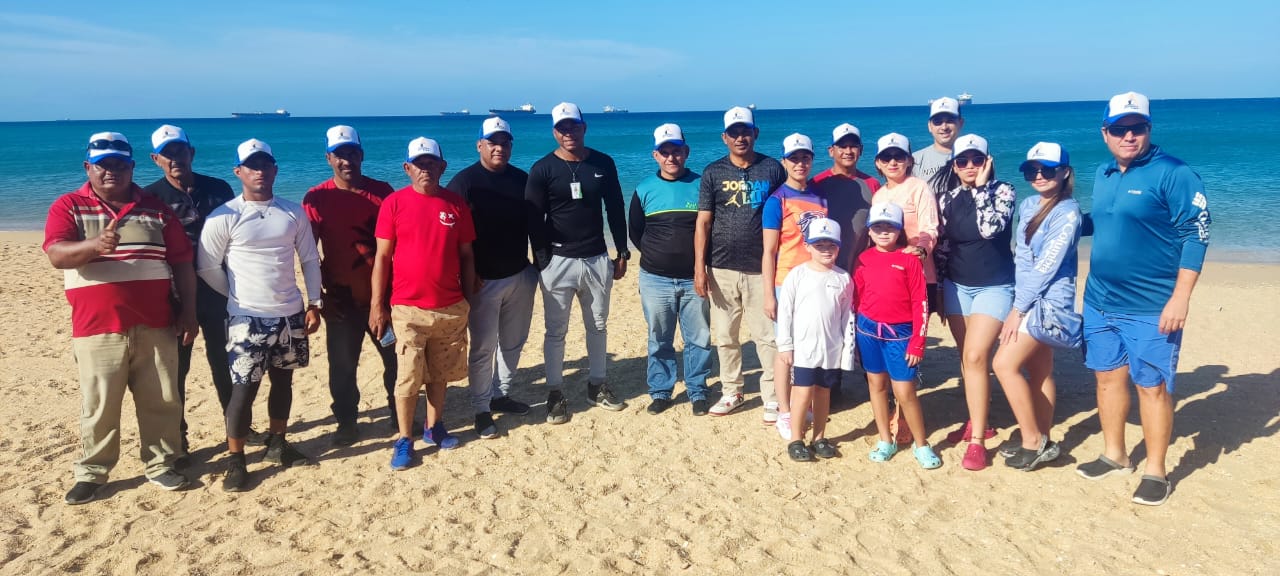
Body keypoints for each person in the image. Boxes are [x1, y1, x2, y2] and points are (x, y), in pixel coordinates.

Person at [1076, 92, 1211, 506]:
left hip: (1151, 305)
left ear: (1149, 129)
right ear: (1105, 133)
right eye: (1119, 129)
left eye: (1137, 127)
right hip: (1099, 299)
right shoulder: (1103, 173)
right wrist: (1054, 220)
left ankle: (1156, 470)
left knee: (1151, 386)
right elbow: (1103, 221)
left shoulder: (1174, 173)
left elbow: (1196, 234)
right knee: (1106, 378)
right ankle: (1115, 455)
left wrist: (1181, 297)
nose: (1129, 136)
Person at [46, 132, 195, 504]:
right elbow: (57, 254)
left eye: (120, 164)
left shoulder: (156, 209)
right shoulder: (69, 205)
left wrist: (189, 312)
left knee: (162, 400)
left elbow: (181, 262)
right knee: (100, 405)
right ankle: (93, 473)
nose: (111, 171)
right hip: (96, 327)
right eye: (103, 164)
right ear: (88, 167)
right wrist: (93, 246)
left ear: (132, 167)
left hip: (156, 323)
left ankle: (161, 463)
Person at [198, 139, 323, 492]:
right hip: (246, 318)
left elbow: (309, 258)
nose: (260, 171)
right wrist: (237, 297)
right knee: (243, 390)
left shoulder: (291, 212)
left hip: (290, 314)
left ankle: (277, 444)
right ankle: (236, 460)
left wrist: (314, 303)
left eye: (266, 164)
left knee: (283, 383)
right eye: (252, 166)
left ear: (275, 169)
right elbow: (207, 266)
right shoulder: (224, 215)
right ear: (238, 172)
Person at [371, 137, 477, 470]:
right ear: (407, 168)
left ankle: (434, 427)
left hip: (449, 305)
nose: (425, 169)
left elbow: (466, 255)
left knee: (439, 374)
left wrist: (468, 300)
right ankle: (405, 438)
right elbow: (382, 257)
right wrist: (377, 305)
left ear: (442, 167)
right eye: (419, 164)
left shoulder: (455, 204)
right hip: (407, 307)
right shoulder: (393, 203)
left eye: (431, 163)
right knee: (407, 376)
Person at [525, 102, 630, 424]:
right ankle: (555, 393)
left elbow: (615, 208)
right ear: (554, 132)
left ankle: (597, 385)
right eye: (562, 128)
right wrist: (543, 260)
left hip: (597, 258)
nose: (568, 132)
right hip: (558, 262)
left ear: (584, 127)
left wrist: (622, 252)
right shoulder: (542, 169)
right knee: (556, 331)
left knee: (597, 326)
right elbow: (533, 218)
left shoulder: (602, 163)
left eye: (573, 126)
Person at [141, 124, 239, 456]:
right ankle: (177, 436)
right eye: (166, 154)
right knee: (175, 370)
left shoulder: (219, 189)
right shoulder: (150, 198)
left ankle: (236, 427)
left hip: (219, 291)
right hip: (173, 296)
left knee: (225, 362)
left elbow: (238, 236)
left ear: (191, 152)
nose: (175, 159)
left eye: (180, 151)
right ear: (156, 159)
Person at [302, 125, 398, 446]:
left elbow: (397, 245)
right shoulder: (317, 198)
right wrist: (316, 299)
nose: (347, 160)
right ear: (329, 158)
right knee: (342, 367)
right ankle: (346, 421)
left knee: (395, 359)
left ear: (362, 155)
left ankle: (398, 412)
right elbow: (308, 252)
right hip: (340, 300)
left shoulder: (382, 192)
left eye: (352, 153)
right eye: (339, 154)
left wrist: (388, 298)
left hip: (383, 298)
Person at [930, 134, 1017, 471]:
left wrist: (981, 189)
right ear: (954, 165)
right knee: (967, 359)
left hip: (994, 286)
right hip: (957, 286)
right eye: (962, 161)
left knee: (977, 356)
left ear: (987, 162)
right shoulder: (947, 198)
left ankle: (978, 440)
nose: (970, 166)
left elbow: (990, 228)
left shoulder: (1003, 191)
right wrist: (939, 289)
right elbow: (943, 246)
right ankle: (978, 421)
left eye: (976, 160)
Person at [446, 117, 537, 438]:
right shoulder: (464, 183)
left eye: (505, 142)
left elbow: (536, 225)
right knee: (484, 347)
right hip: (481, 282)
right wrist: (463, 277)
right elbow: (450, 237)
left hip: (520, 274)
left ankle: (500, 394)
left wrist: (538, 265)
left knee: (514, 341)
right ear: (480, 145)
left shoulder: (522, 180)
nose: (499, 148)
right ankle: (482, 408)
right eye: (492, 142)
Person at [992, 142, 1080, 471]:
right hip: (1027, 295)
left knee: (1003, 364)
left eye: (1048, 170)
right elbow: (1024, 258)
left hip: (1048, 302)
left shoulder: (1067, 212)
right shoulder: (1029, 204)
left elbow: (1047, 266)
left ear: (1065, 172)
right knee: (1040, 370)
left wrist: (1017, 310)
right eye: (1032, 170)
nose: (1039, 176)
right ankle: (1043, 438)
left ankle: (1032, 441)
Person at [695, 106, 786, 421]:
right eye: (734, 133)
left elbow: (786, 213)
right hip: (721, 268)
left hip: (761, 269)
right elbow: (703, 222)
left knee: (767, 336)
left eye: (745, 131)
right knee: (726, 336)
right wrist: (699, 268)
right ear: (725, 137)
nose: (740, 137)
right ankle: (732, 391)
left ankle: (772, 396)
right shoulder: (713, 172)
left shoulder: (772, 169)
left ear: (755, 133)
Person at [628, 123, 712, 416]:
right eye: (664, 152)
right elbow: (636, 231)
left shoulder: (702, 185)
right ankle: (661, 391)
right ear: (655, 155)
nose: (671, 157)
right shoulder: (643, 189)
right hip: (655, 279)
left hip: (694, 277)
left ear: (686, 152)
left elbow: (710, 228)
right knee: (659, 338)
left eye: (676, 151)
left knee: (698, 338)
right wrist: (658, 256)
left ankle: (697, 390)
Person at [854, 203, 940, 470]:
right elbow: (857, 297)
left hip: (900, 335)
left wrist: (918, 341)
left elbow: (920, 303)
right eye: (878, 226)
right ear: (869, 231)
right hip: (868, 331)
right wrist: (855, 335)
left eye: (890, 227)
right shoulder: (864, 258)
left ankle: (921, 444)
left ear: (900, 230)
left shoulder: (909, 259)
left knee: (905, 391)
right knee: (876, 385)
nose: (883, 232)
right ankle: (885, 439)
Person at [762, 133, 826, 439]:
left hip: (815, 282)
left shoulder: (820, 199)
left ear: (811, 160)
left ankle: (804, 402)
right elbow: (769, 252)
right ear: (784, 162)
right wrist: (768, 295)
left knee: (809, 345)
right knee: (785, 349)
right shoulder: (777, 200)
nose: (800, 163)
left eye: (805, 158)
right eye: (794, 158)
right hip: (785, 283)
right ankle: (785, 411)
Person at [776, 218, 852, 462]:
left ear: (839, 247)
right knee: (802, 392)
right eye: (819, 245)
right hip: (803, 348)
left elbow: (847, 317)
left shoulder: (843, 278)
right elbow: (785, 312)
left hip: (830, 348)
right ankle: (795, 439)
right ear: (807, 246)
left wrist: (847, 350)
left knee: (823, 392)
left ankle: (819, 437)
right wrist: (785, 345)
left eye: (831, 245)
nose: (825, 250)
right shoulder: (797, 275)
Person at [813, 123, 879, 270]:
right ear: (831, 151)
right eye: (842, 146)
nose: (848, 151)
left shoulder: (872, 184)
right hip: (825, 267)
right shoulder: (816, 184)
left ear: (861, 150)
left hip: (860, 267)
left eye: (853, 146)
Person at [913, 97, 965, 194]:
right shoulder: (915, 161)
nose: (944, 127)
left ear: (961, 123)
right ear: (930, 126)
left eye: (950, 121)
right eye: (938, 122)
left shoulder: (975, 159)